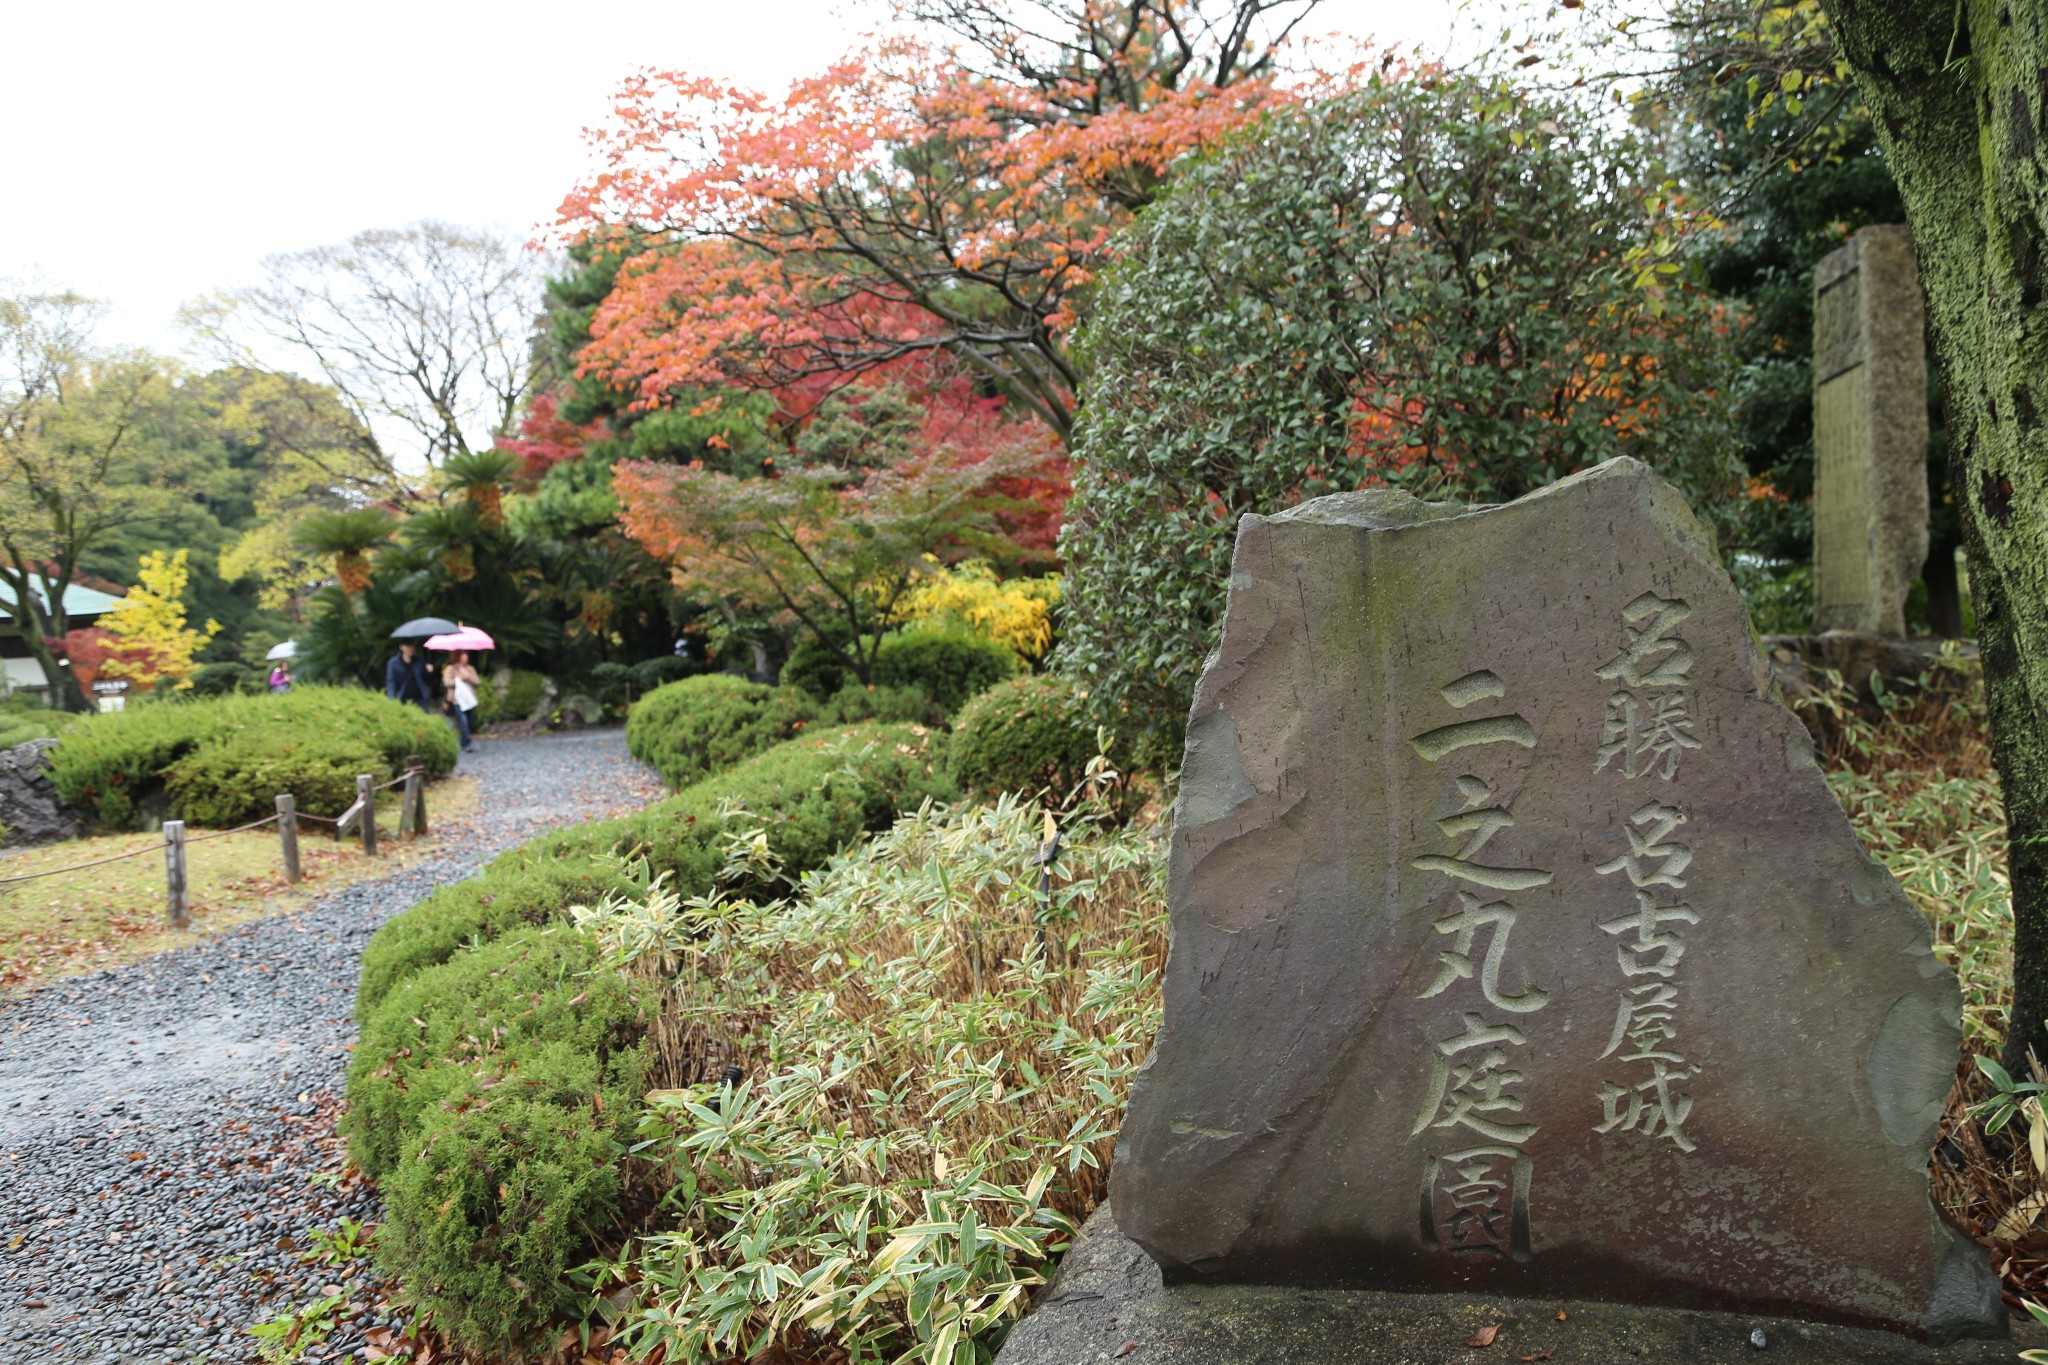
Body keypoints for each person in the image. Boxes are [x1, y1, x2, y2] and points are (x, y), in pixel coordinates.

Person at [444, 650, 481, 752]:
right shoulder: (450, 669)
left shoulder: (470, 668)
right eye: (464, 655)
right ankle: (467, 743)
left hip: (469, 699)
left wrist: (468, 678)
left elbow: (477, 682)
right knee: (463, 721)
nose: (466, 657)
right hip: (457, 699)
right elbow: (447, 683)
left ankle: (463, 741)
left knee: (470, 721)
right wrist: (459, 678)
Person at [383, 641, 433, 711]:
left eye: (413, 646)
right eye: (408, 646)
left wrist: (429, 671)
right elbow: (391, 681)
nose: (411, 648)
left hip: (420, 698)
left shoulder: (419, 661)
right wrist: (391, 698)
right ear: (401, 647)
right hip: (402, 698)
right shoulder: (393, 663)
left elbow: (427, 678)